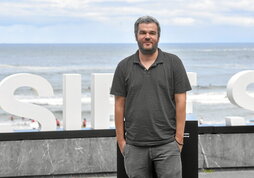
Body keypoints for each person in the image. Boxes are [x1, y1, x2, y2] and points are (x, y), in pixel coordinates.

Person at [110, 16, 192, 178]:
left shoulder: (174, 63)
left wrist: (179, 140)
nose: (147, 36)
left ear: (158, 37)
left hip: (167, 145)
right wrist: (121, 142)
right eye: (143, 32)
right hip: (134, 147)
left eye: (152, 33)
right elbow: (119, 105)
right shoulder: (123, 66)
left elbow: (181, 101)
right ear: (136, 36)